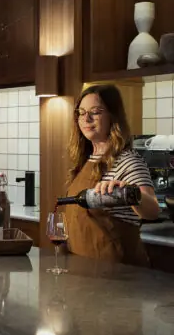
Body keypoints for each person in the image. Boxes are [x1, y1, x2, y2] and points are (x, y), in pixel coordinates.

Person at [65, 84, 159, 266]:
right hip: (86, 273)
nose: (86, 118)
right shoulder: (86, 161)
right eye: (81, 112)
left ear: (112, 117)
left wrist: (131, 193)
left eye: (96, 111)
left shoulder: (127, 160)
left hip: (119, 277)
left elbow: (153, 210)